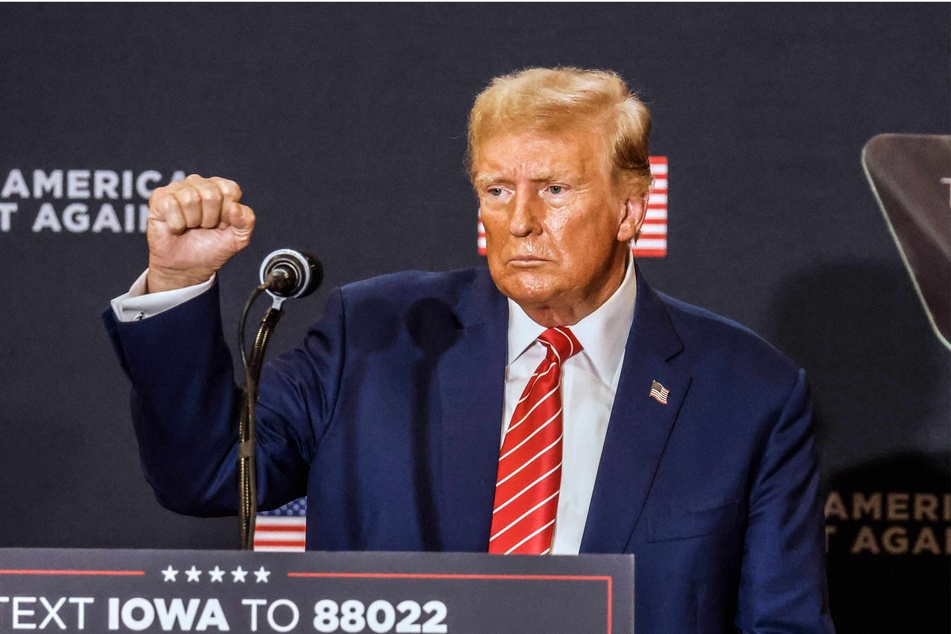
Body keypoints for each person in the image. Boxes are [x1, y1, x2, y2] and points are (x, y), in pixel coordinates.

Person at [105, 67, 834, 632]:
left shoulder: (748, 394)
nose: (518, 221)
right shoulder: (379, 332)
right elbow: (205, 477)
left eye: (553, 189)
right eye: (494, 189)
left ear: (628, 209)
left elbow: (780, 622)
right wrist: (177, 280)